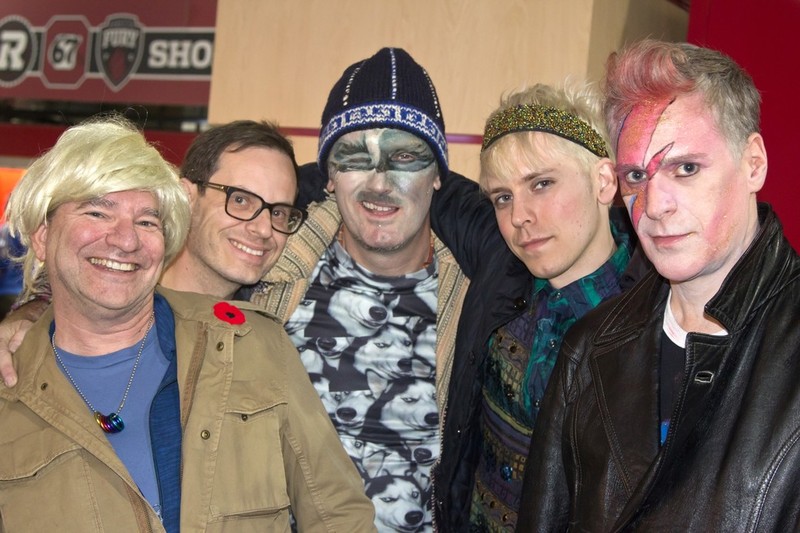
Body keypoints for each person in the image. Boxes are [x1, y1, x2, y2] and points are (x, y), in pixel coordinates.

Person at [0, 117, 375, 532]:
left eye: (146, 221)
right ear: (41, 235)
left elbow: (338, 512)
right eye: (97, 212)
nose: (126, 239)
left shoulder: (257, 337)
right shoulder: (14, 373)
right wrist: (29, 312)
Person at [517, 39, 800, 532]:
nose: (653, 205)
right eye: (635, 175)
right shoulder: (588, 348)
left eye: (685, 168)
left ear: (753, 163)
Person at [253, 47, 469, 532]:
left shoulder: (479, 300)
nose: (378, 183)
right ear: (329, 177)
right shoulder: (268, 276)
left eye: (405, 157)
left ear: (438, 175)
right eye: (354, 158)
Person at [429, 84, 643, 531]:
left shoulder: (652, 320)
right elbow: (421, 180)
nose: (518, 217)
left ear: (604, 181)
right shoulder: (500, 265)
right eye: (503, 197)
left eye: (541, 184)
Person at [0, 119, 307, 385]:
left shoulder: (264, 335)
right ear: (187, 197)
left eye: (279, 212)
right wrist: (34, 311)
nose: (264, 229)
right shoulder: (103, 302)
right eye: (240, 200)